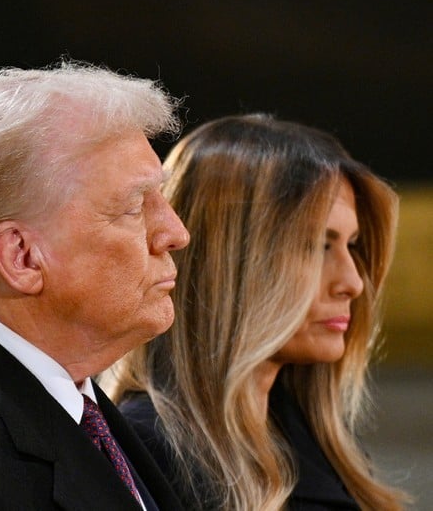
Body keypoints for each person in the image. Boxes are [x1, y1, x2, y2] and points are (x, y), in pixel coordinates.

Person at [107, 114, 411, 510]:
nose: (352, 282)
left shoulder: (315, 446)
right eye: (319, 245)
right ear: (230, 262)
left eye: (351, 245)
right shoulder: (143, 453)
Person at [0, 61, 190, 510]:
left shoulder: (84, 415)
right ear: (23, 257)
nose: (175, 232)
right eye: (134, 207)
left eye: (161, 199)